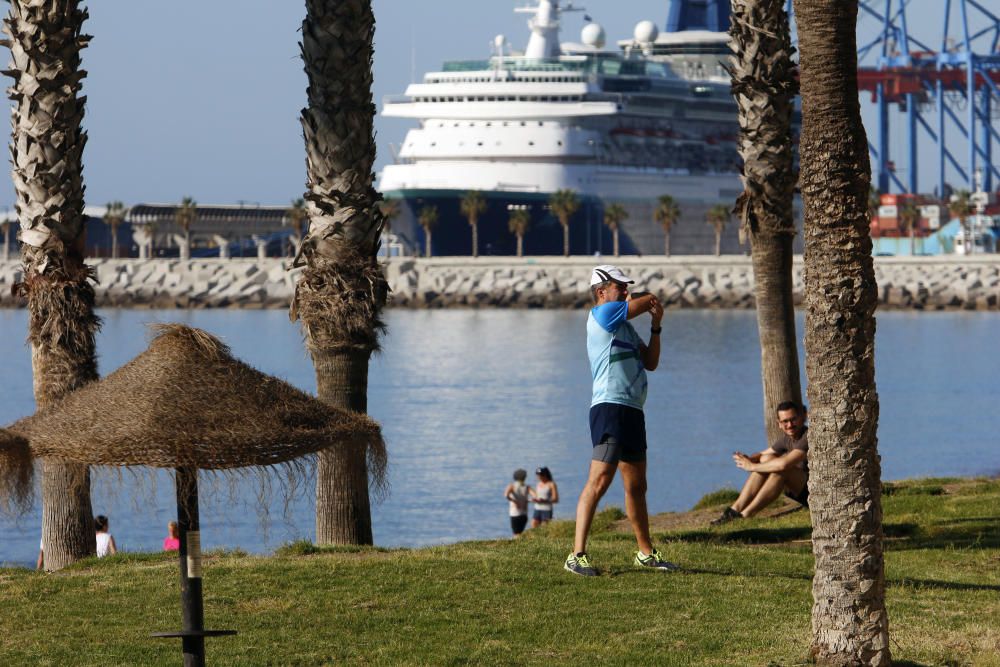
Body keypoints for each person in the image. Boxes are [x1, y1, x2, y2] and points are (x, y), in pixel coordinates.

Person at [564, 265, 677, 576]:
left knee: (637, 486)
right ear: (602, 292)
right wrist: (649, 299)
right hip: (609, 409)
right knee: (599, 480)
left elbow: (650, 362)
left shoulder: (624, 326)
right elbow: (646, 298)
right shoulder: (603, 315)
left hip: (632, 410)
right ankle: (576, 555)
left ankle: (645, 553)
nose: (626, 291)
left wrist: (656, 328)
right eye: (620, 287)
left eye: (627, 287)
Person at [711, 401, 809, 525]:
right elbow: (763, 455)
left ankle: (745, 515)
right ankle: (734, 511)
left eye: (793, 419)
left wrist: (752, 466)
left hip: (813, 494)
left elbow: (783, 465)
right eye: (785, 421)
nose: (789, 425)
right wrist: (750, 459)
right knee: (767, 459)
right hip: (799, 490)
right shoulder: (787, 439)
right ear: (779, 424)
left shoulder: (807, 437)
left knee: (782, 470)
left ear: (801, 418)